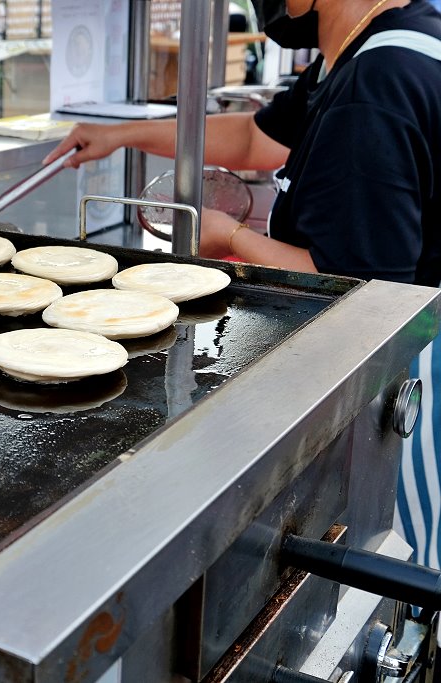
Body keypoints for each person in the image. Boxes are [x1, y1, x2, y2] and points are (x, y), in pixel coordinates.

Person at [45, 0, 441, 569]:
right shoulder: (378, 43)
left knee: (397, 568)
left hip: (408, 380)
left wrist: (228, 233)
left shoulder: (376, 82)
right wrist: (122, 134)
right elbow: (258, 139)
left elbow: (363, 289)